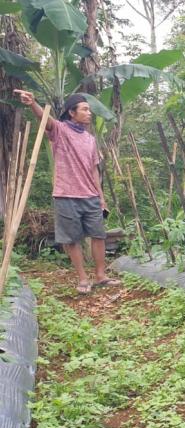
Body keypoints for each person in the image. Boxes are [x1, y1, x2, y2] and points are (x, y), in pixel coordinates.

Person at [14, 89, 120, 294]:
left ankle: (100, 275)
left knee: (98, 235)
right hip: (66, 194)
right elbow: (48, 122)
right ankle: (82, 278)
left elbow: (93, 169)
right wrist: (33, 104)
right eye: (85, 109)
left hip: (90, 195)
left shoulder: (90, 139)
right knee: (71, 239)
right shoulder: (61, 130)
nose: (89, 113)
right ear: (72, 113)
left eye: (90, 110)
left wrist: (101, 197)